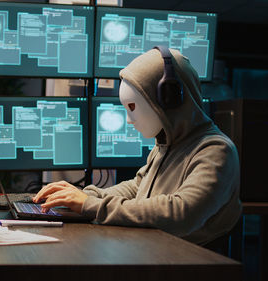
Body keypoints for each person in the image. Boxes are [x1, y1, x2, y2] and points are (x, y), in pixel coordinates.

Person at [34, 47, 241, 246]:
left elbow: (182, 212)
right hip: (153, 250)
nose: (129, 120)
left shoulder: (216, 150)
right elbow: (137, 187)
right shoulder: (167, 146)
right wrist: (86, 196)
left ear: (169, 101)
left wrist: (91, 206)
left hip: (183, 262)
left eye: (132, 107)